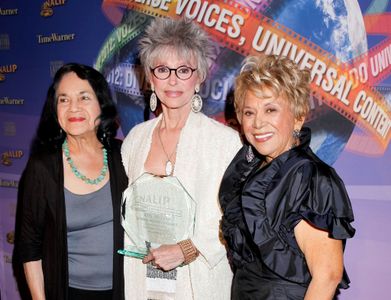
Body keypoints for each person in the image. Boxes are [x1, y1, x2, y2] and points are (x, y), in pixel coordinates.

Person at [121, 18, 242, 299]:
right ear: (150, 77)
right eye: (163, 69)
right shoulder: (135, 140)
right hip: (143, 276)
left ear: (199, 76)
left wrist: (187, 249)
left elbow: (237, 217)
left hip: (198, 280)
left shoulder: (225, 142)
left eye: (184, 70)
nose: (173, 80)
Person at [219, 55, 356, 299]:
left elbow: (327, 276)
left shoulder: (311, 178)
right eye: (249, 112)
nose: (258, 123)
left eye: (270, 109)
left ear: (298, 116)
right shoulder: (249, 170)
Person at [14, 63, 127, 300]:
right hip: (67, 293)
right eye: (63, 100)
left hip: (125, 290)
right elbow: (29, 246)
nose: (73, 107)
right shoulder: (42, 167)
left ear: (102, 104)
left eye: (84, 97)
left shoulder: (124, 156)